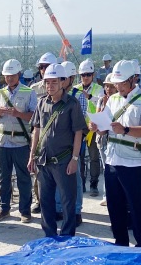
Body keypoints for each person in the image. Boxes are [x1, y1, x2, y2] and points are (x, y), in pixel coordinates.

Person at [89, 59, 141, 247]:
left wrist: (125, 130)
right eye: (116, 83)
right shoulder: (113, 99)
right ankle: (120, 243)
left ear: (133, 80)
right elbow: (106, 126)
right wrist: (97, 127)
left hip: (133, 162)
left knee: (137, 208)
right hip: (112, 160)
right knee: (114, 206)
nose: (118, 87)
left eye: (122, 83)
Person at [28, 63, 84, 236]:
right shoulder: (42, 103)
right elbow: (36, 130)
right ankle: (49, 234)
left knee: (68, 201)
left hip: (64, 160)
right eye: (47, 82)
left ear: (63, 82)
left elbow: (78, 133)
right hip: (44, 160)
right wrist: (32, 156)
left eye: (53, 82)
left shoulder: (72, 104)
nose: (49, 86)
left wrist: (74, 159)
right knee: (45, 200)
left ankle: (67, 235)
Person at [0, 59, 37, 223]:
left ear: (19, 75)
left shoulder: (29, 92)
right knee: (4, 177)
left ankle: (25, 211)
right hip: (2, 141)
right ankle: (4, 209)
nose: (9, 79)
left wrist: (18, 114)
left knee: (23, 177)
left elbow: (34, 117)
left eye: (12, 75)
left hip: (20, 141)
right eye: (7, 76)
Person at [29, 51, 58, 213]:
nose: (43, 70)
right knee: (38, 171)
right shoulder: (34, 89)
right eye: (41, 67)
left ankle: (57, 204)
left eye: (46, 67)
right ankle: (39, 200)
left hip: (57, 136)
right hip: (39, 135)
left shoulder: (62, 87)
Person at [58, 60, 84, 225]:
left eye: (64, 78)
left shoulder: (78, 96)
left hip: (73, 144)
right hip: (59, 145)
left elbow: (80, 126)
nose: (61, 81)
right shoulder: (54, 97)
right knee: (58, 179)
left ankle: (76, 210)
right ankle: (59, 208)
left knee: (75, 179)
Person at [74, 59, 103, 196]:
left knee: (93, 157)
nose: (85, 77)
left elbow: (102, 101)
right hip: (80, 127)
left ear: (93, 75)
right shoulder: (76, 89)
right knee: (78, 156)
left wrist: (89, 96)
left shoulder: (98, 89)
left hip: (93, 127)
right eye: (83, 75)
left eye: (88, 74)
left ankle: (94, 183)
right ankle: (80, 182)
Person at [95, 73, 118, 206]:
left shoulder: (118, 101)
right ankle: (106, 195)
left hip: (114, 138)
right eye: (106, 86)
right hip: (103, 138)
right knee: (106, 168)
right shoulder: (101, 100)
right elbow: (99, 117)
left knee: (114, 169)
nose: (108, 89)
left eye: (110, 86)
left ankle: (113, 196)